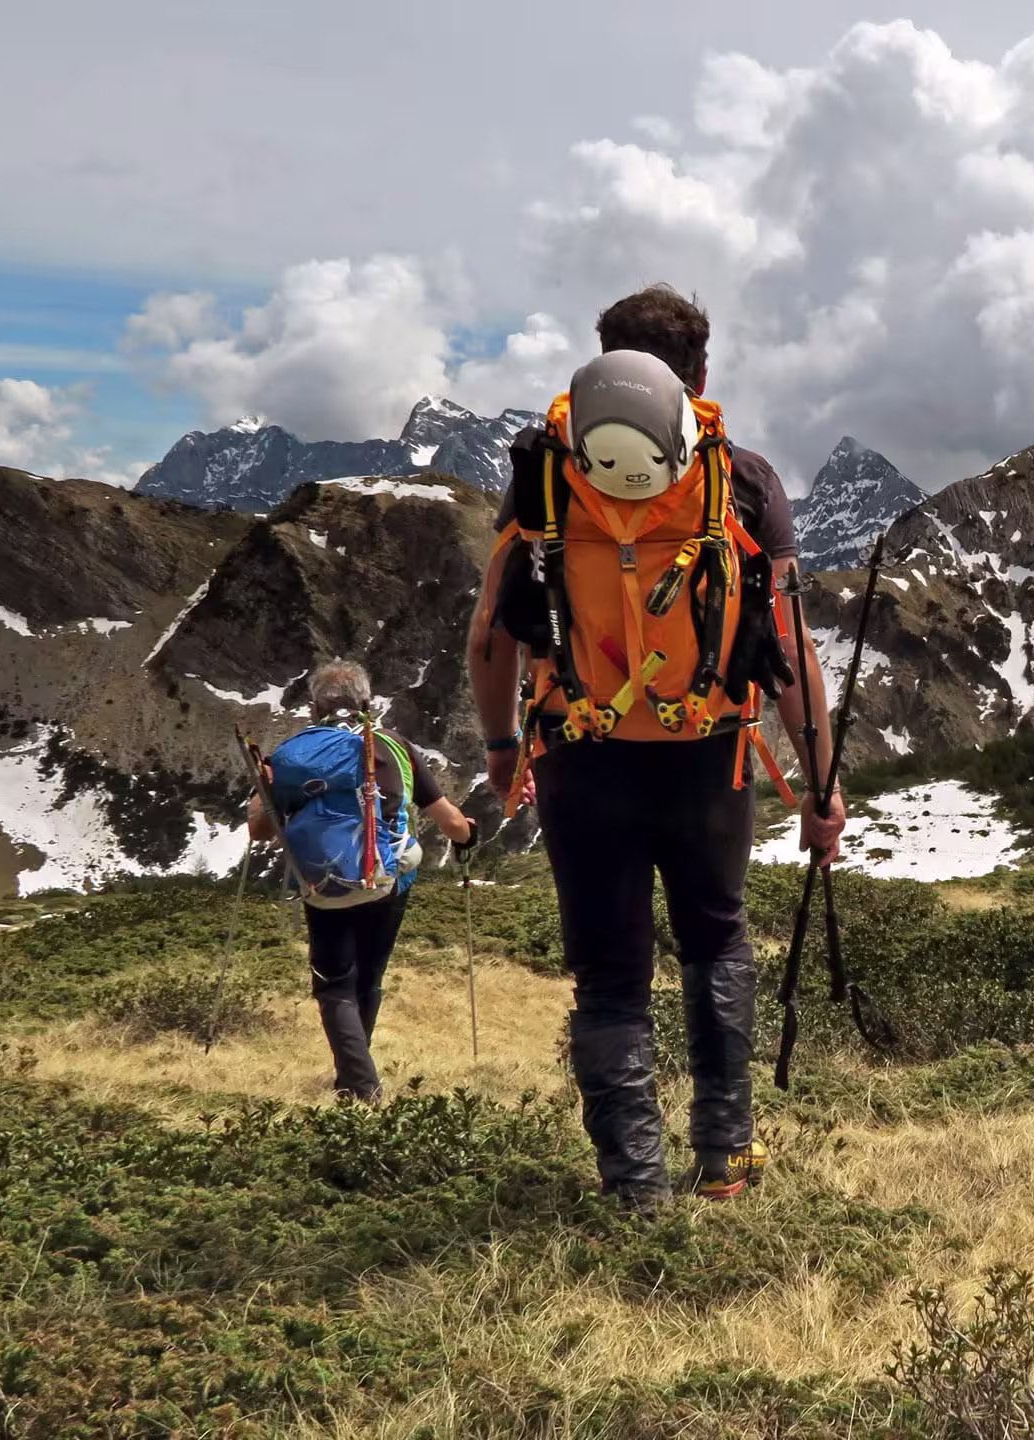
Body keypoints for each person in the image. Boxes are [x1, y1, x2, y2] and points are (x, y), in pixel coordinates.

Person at [466, 284, 845, 1209]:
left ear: (600, 361)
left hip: (578, 753)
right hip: (707, 757)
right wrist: (821, 785)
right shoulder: (742, 479)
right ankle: (724, 1159)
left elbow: (491, 634)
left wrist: (505, 747)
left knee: (609, 975)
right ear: (699, 373)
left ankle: (634, 1189)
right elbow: (788, 647)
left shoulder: (544, 475)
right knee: (715, 941)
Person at [249, 658, 475, 1102]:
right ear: (367, 703)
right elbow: (450, 823)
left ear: (315, 706)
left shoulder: (291, 755)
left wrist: (263, 787)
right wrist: (469, 834)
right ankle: (357, 1084)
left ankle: (358, 1083)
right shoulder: (391, 746)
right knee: (368, 976)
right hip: (387, 881)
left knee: (334, 983)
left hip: (321, 885)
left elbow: (259, 830)